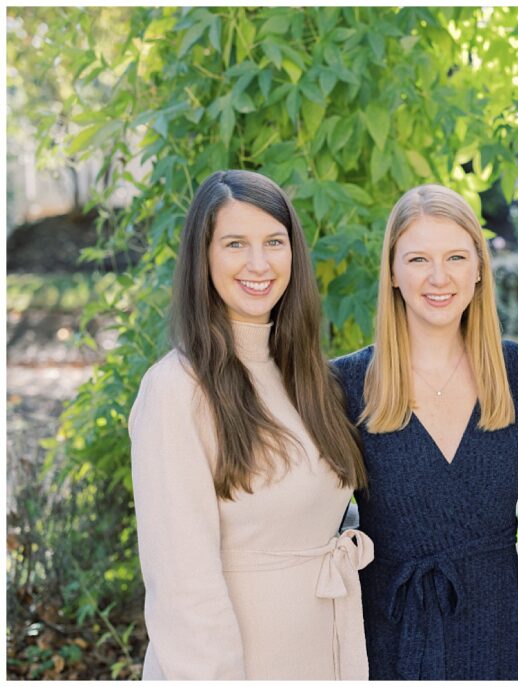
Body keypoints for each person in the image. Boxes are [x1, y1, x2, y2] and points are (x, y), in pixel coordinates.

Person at [129, 170, 371, 679]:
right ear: (203, 256)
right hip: (234, 667)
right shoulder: (176, 390)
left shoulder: (310, 379)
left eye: (274, 243)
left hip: (321, 657)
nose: (258, 264)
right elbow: (182, 588)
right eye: (235, 244)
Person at [331, 184, 518, 680]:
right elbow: (307, 519)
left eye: (456, 257)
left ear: (478, 268)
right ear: (393, 272)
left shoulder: (516, 373)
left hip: (498, 635)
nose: (439, 277)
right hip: (389, 638)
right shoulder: (346, 384)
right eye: (418, 259)